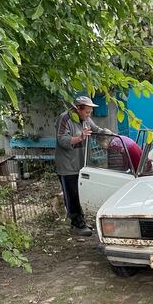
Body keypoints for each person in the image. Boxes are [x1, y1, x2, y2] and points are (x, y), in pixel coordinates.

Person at [56, 95, 113, 236]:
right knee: (72, 194)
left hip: (81, 163)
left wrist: (108, 134)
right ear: (77, 109)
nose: (89, 115)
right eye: (87, 112)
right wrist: (79, 137)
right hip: (67, 164)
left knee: (80, 192)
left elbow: (95, 130)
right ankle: (76, 224)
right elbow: (62, 140)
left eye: (90, 112)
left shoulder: (86, 119)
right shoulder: (65, 119)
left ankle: (81, 221)